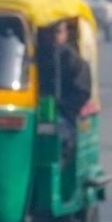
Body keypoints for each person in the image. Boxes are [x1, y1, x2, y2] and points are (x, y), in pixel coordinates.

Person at [38, 19, 93, 165]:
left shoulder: (74, 61)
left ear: (66, 34)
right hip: (34, 113)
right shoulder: (32, 57)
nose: (53, 37)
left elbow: (81, 93)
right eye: (49, 32)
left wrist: (59, 105)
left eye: (58, 32)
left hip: (63, 115)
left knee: (59, 135)